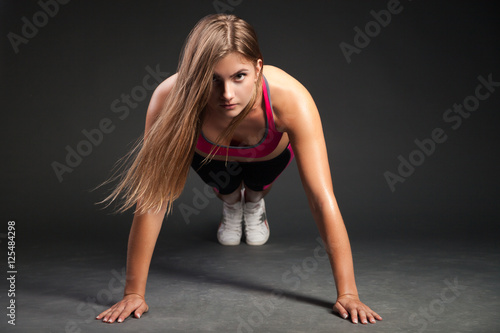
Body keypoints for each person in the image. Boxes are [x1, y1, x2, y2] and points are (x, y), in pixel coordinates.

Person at [96, 13, 382, 325]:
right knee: (227, 189)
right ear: (194, 75)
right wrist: (133, 292)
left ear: (258, 68)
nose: (227, 95)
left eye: (239, 76)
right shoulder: (169, 97)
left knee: (257, 186)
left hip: (266, 160)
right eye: (213, 80)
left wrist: (348, 293)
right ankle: (232, 204)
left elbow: (321, 198)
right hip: (211, 160)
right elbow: (153, 197)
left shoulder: (292, 99)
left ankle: (254, 203)